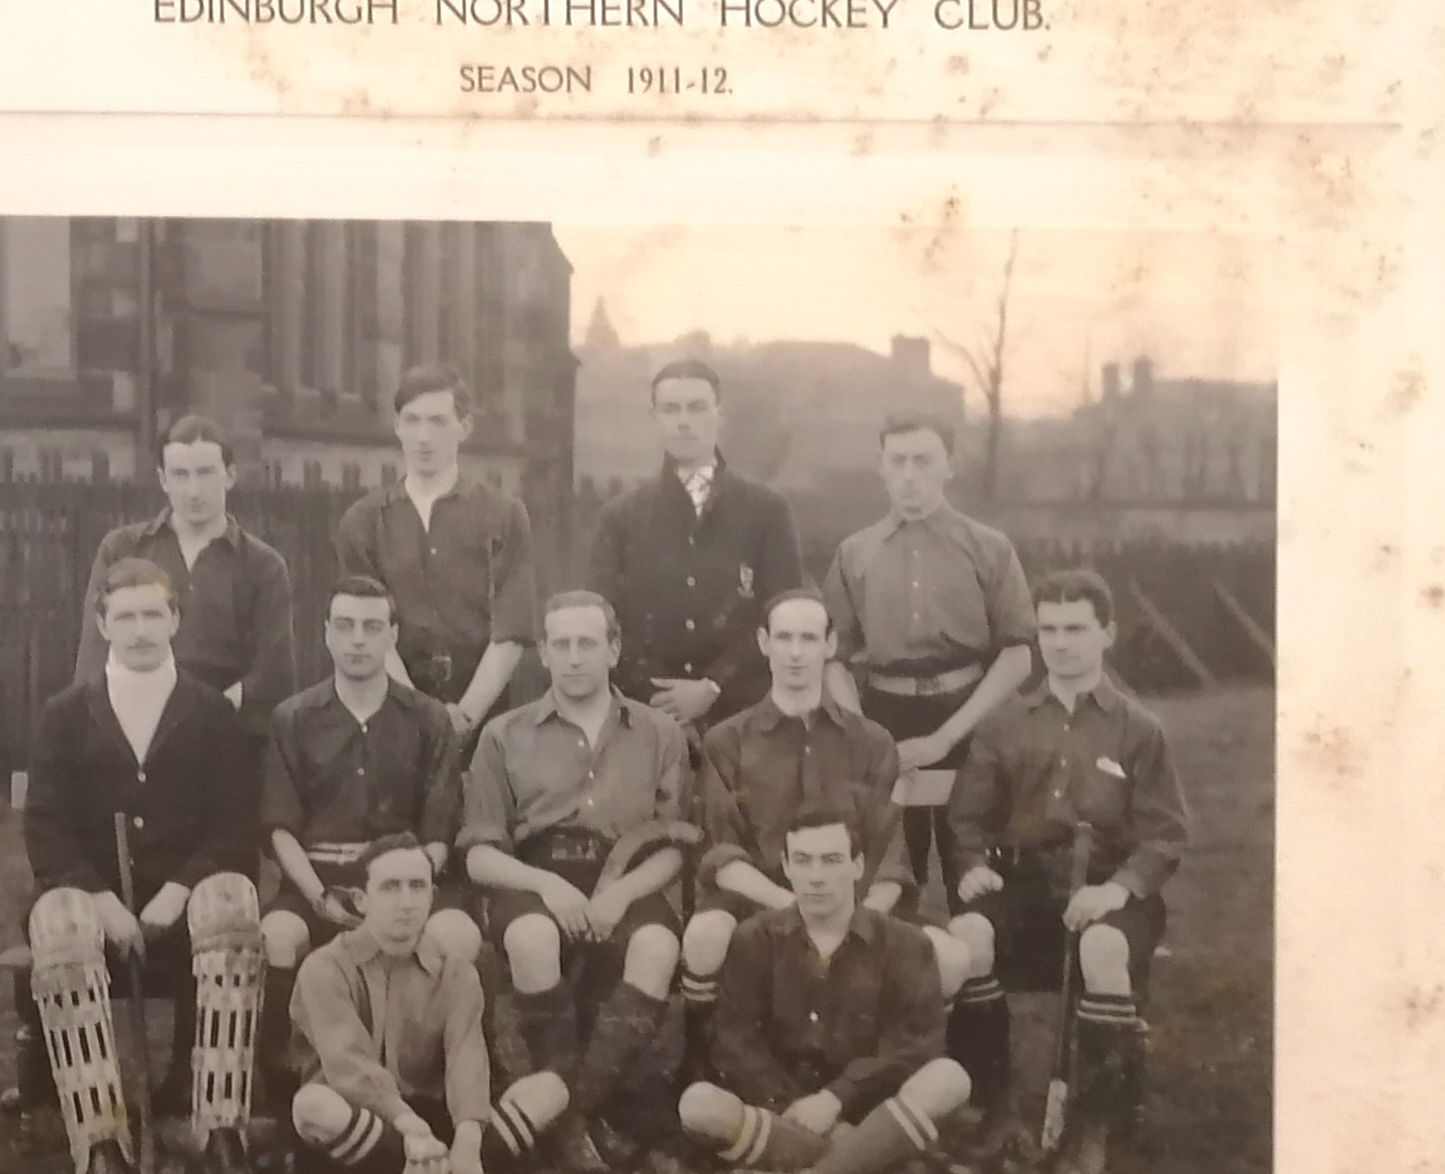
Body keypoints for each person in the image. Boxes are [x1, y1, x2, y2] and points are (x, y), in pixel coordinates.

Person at [13, 558, 270, 1174]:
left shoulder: (212, 713)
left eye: (153, 614)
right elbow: (45, 827)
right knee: (61, 920)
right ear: (102, 624)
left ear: (175, 619)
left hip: (186, 904)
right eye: (124, 616)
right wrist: (103, 901)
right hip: (95, 898)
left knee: (233, 899)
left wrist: (177, 892)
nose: (140, 630)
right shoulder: (66, 714)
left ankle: (221, 1133)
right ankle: (100, 1144)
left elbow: (235, 825)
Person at [940, 566, 1189, 1174]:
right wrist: (973, 866)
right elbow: (966, 819)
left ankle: (1098, 1118)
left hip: (1106, 891)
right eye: (1048, 629)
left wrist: (1118, 889)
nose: (1060, 642)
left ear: (1107, 633)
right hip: (1023, 888)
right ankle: (987, 1103)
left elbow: (1164, 835)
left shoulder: (1138, 728)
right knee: (969, 936)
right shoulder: (1004, 723)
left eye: (1076, 628)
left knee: (1103, 948)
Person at [455, 590, 697, 1146]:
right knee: (534, 937)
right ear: (542, 653)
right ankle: (565, 1105)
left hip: (631, 872)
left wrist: (620, 895)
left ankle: (581, 1105)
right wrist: (547, 886)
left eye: (587, 643)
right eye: (560, 644)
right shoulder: (503, 734)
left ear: (613, 649)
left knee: (657, 947)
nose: (573, 656)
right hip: (538, 873)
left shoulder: (659, 734)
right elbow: (480, 853)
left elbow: (677, 842)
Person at [675, 586, 918, 1053]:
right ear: (764, 644)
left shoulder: (870, 741)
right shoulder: (728, 740)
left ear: (830, 647)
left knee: (947, 955)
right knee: (706, 936)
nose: (795, 652)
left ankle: (919, 1085)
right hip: (758, 900)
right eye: (783, 638)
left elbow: (889, 854)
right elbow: (722, 855)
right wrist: (794, 907)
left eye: (809, 639)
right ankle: (704, 1072)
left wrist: (857, 921)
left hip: (854, 902)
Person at [677, 814, 971, 1174]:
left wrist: (836, 1099)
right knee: (699, 1105)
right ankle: (869, 1168)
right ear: (786, 867)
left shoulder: (907, 944)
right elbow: (736, 1044)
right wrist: (792, 1107)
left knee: (950, 1078)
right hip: (784, 1113)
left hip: (873, 1114)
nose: (816, 876)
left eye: (831, 860)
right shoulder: (755, 939)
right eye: (802, 861)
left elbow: (915, 1048)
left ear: (857, 866)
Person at [283, 836, 579, 1174]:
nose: (406, 901)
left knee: (551, 1090)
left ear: (431, 896)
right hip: (359, 1117)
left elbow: (465, 1060)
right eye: (390, 888)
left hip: (432, 1127)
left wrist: (469, 1143)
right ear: (362, 900)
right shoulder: (325, 967)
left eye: (417, 886)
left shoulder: (456, 973)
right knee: (311, 1106)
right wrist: (408, 1126)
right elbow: (348, 1066)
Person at [821, 413, 1037, 885]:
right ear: (880, 465)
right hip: (885, 718)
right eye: (897, 461)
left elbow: (1019, 655)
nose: (909, 475)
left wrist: (946, 738)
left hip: (972, 715)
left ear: (950, 466)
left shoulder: (989, 548)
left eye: (923, 460)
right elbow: (832, 657)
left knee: (980, 874)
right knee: (891, 876)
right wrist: (861, 731)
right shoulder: (854, 553)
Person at [257, 575, 476, 986]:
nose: (358, 639)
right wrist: (320, 898)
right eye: (345, 626)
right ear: (326, 634)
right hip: (319, 881)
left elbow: (439, 833)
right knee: (277, 937)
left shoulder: (429, 719)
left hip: (407, 881)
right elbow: (279, 829)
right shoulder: (293, 718)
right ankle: (286, 1051)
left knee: (457, 935)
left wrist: (398, 895)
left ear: (392, 636)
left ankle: (449, 1048)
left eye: (372, 627)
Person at [582, 355, 804, 727]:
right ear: (653, 418)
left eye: (697, 408)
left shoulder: (768, 510)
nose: (684, 421)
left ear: (720, 414)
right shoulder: (620, 517)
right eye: (670, 409)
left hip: (745, 718)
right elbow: (601, 619)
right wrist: (660, 696)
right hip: (646, 718)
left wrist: (714, 684)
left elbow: (784, 616)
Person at [332, 363, 541, 730]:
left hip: (486, 723)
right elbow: (368, 627)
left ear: (465, 427)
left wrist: (466, 716)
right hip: (393, 719)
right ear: (396, 425)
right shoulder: (363, 521)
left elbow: (512, 629)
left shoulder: (504, 515)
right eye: (411, 421)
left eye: (438, 421)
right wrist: (420, 716)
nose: (423, 436)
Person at [70, 413, 300, 709]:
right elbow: (93, 657)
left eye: (204, 473)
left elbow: (274, 675)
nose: (193, 491)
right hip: (134, 718)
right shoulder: (122, 549)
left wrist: (207, 715)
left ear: (230, 475)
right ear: (163, 479)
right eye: (180, 474)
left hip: (226, 727)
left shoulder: (263, 566)